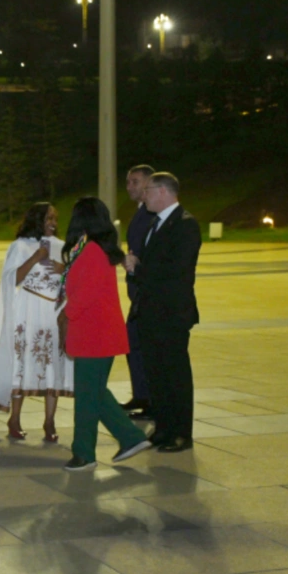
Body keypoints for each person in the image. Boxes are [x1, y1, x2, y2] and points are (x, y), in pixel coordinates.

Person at [59, 197, 153, 471]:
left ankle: (84, 454)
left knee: (88, 397)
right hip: (96, 333)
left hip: (94, 335)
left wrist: (65, 314)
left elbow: (85, 293)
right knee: (94, 393)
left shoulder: (92, 251)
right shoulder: (95, 248)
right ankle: (131, 437)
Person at [124, 172, 201, 452]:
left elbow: (177, 270)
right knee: (156, 374)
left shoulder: (185, 224)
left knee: (175, 375)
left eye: (148, 190)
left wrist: (138, 267)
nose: (143, 196)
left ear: (163, 192)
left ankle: (181, 432)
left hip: (171, 313)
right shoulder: (155, 223)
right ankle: (164, 427)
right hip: (150, 311)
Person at [0, 202, 73, 442]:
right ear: (37, 220)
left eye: (55, 219)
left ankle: (50, 421)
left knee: (52, 364)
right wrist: (35, 258)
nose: (53, 223)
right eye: (48, 219)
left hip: (54, 311)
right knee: (23, 362)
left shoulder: (62, 246)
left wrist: (64, 269)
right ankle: (14, 418)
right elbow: (11, 279)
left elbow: (74, 280)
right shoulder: (20, 246)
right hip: (28, 311)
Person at [122, 165, 156, 418]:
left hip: (148, 293)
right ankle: (141, 395)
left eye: (135, 181)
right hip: (137, 292)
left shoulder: (153, 214)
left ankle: (150, 400)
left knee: (142, 345)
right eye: (128, 182)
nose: (129, 187)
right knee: (132, 343)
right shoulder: (140, 212)